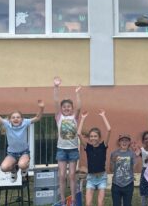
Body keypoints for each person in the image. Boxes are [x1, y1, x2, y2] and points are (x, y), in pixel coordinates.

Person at [0, 100, 44, 182]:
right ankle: (13, 170)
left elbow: (37, 118)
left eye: (18, 117)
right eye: (13, 117)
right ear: (10, 120)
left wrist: (41, 108)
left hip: (24, 152)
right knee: (3, 168)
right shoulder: (7, 124)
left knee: (22, 165)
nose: (16, 119)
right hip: (12, 154)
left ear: (22, 119)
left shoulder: (25, 123)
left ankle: (25, 166)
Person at [53, 76, 81, 206]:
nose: (66, 108)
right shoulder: (59, 117)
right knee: (62, 175)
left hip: (73, 150)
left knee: (72, 176)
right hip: (62, 150)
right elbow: (55, 102)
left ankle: (74, 199)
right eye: (64, 106)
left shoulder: (75, 117)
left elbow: (79, 107)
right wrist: (56, 87)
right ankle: (63, 199)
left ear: (72, 108)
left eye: (69, 106)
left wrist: (77, 93)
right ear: (61, 109)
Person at [78, 110, 111, 206]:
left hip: (102, 178)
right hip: (91, 178)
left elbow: (109, 130)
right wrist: (83, 118)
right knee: (88, 203)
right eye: (91, 136)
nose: (93, 138)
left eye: (95, 136)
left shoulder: (103, 146)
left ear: (99, 137)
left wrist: (103, 116)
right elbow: (79, 133)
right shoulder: (88, 147)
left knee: (100, 203)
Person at [110, 133, 137, 206]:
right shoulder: (114, 153)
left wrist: (136, 156)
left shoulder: (132, 154)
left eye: (126, 140)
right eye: (122, 140)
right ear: (119, 142)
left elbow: (134, 168)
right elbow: (111, 170)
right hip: (116, 184)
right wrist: (113, 161)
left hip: (128, 184)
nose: (124, 142)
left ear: (129, 142)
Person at [139, 131, 148, 206]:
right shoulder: (141, 150)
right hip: (145, 172)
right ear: (143, 141)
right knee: (144, 193)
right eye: (146, 139)